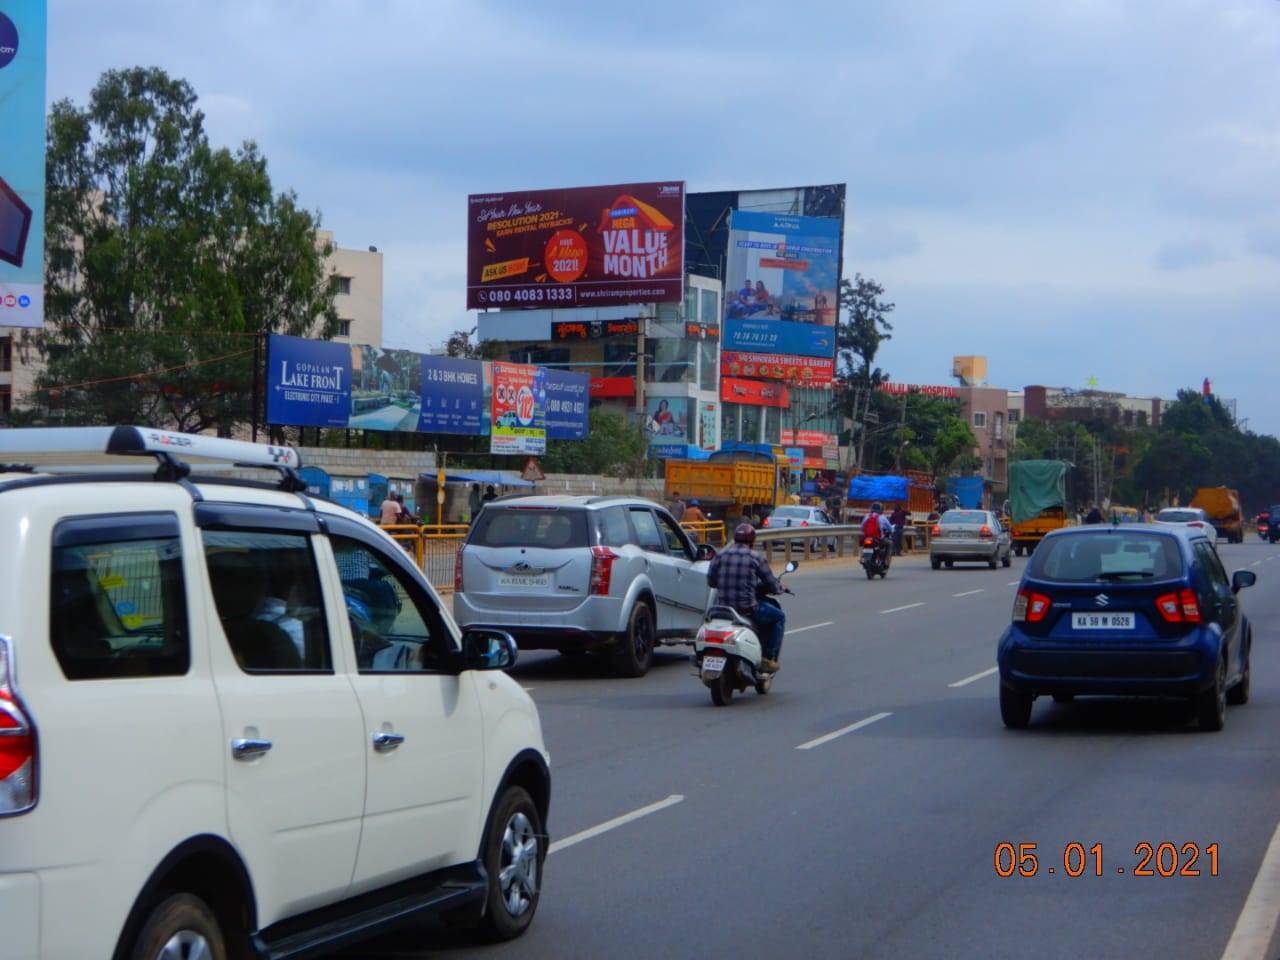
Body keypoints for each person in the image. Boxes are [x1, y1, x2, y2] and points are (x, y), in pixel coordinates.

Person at [707, 523, 788, 673]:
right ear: (752, 541)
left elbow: (711, 582)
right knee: (779, 617)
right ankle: (767, 658)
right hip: (747, 609)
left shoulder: (720, 555)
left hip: (722, 609)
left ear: (735, 539)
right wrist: (780, 588)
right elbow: (771, 584)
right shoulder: (755, 557)